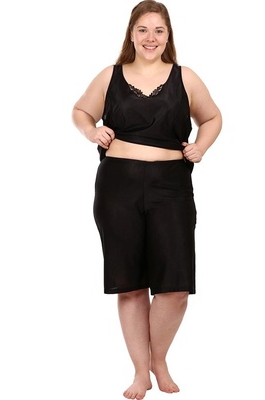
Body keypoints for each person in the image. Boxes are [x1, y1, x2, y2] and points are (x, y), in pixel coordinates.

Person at [72, 1, 222, 398]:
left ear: (168, 36)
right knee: (130, 284)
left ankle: (160, 359)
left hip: (171, 187)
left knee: (175, 285)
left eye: (158, 30)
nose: (150, 38)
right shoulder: (110, 75)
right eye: (143, 29)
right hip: (117, 186)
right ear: (131, 34)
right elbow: (81, 111)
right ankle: (141, 371)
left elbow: (212, 117)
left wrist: (202, 146)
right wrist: (92, 131)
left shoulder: (185, 77)